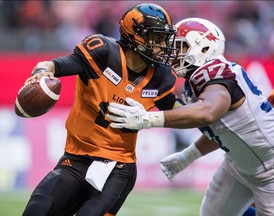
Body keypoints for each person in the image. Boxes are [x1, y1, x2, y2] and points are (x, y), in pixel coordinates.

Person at [107, 18, 274, 216]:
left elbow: (209, 112)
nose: (173, 52)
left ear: (204, 48)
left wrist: (149, 120)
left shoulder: (214, 74)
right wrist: (189, 155)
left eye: (181, 46)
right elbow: (222, 130)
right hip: (237, 165)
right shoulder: (197, 80)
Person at [22, 3, 181, 216]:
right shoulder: (102, 53)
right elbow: (53, 65)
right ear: (135, 36)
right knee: (37, 210)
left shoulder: (161, 77)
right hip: (75, 159)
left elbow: (182, 113)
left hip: (118, 169)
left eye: (164, 39)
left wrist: (202, 111)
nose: (163, 46)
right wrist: (42, 71)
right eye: (157, 38)